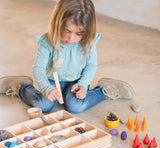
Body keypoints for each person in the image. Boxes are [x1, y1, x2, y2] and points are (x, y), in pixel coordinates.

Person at [0, 0, 136, 113]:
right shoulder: (47, 41)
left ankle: (103, 90)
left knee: (75, 106)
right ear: (57, 23)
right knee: (44, 105)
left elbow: (91, 65)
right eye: (67, 30)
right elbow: (38, 68)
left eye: (79, 33)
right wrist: (47, 88)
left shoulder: (88, 41)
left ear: (87, 31)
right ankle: (20, 86)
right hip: (52, 81)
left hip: (75, 82)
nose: (71, 38)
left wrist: (82, 84)